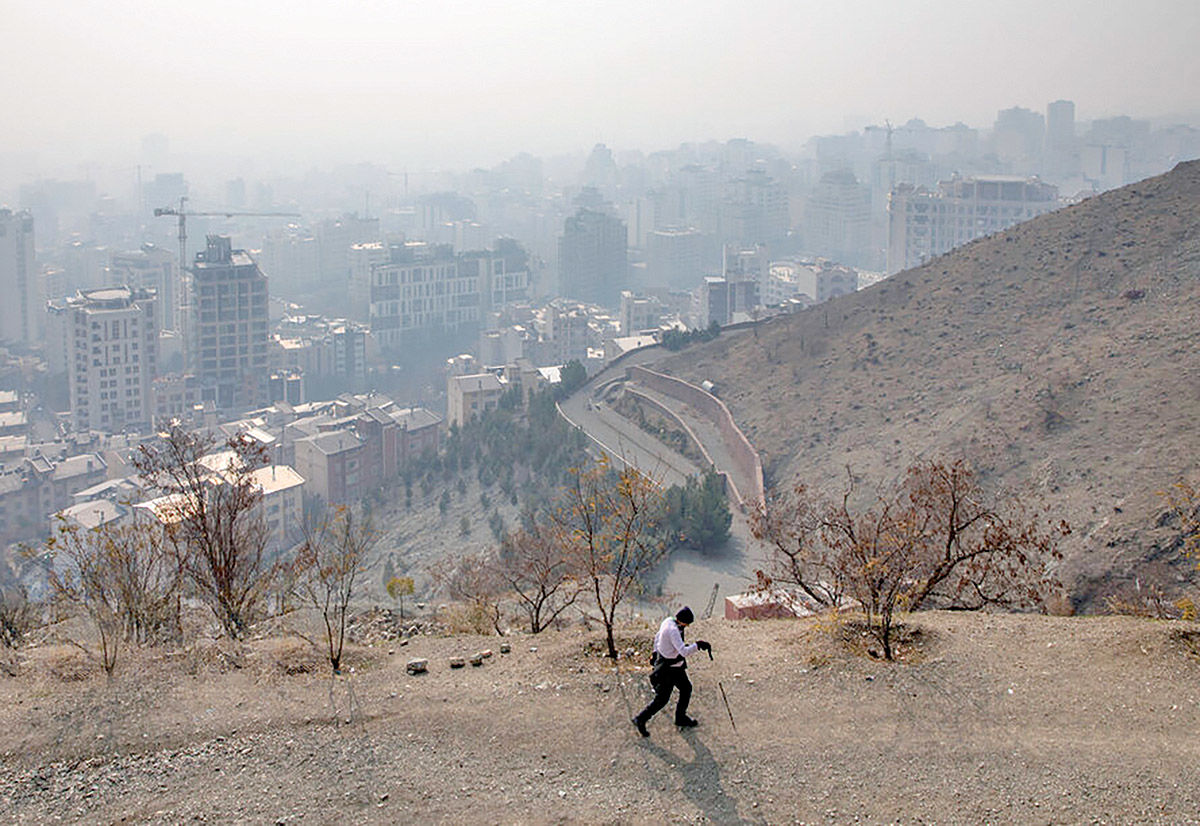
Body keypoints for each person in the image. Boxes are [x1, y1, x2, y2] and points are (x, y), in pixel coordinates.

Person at [632, 606, 711, 736]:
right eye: (687, 624)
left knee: (686, 689)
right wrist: (698, 645)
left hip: (675, 666)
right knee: (662, 699)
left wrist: (655, 653)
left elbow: (657, 637)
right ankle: (641, 719)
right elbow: (683, 651)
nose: (687, 626)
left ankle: (680, 718)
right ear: (683, 621)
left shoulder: (668, 621)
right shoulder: (674, 630)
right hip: (668, 669)